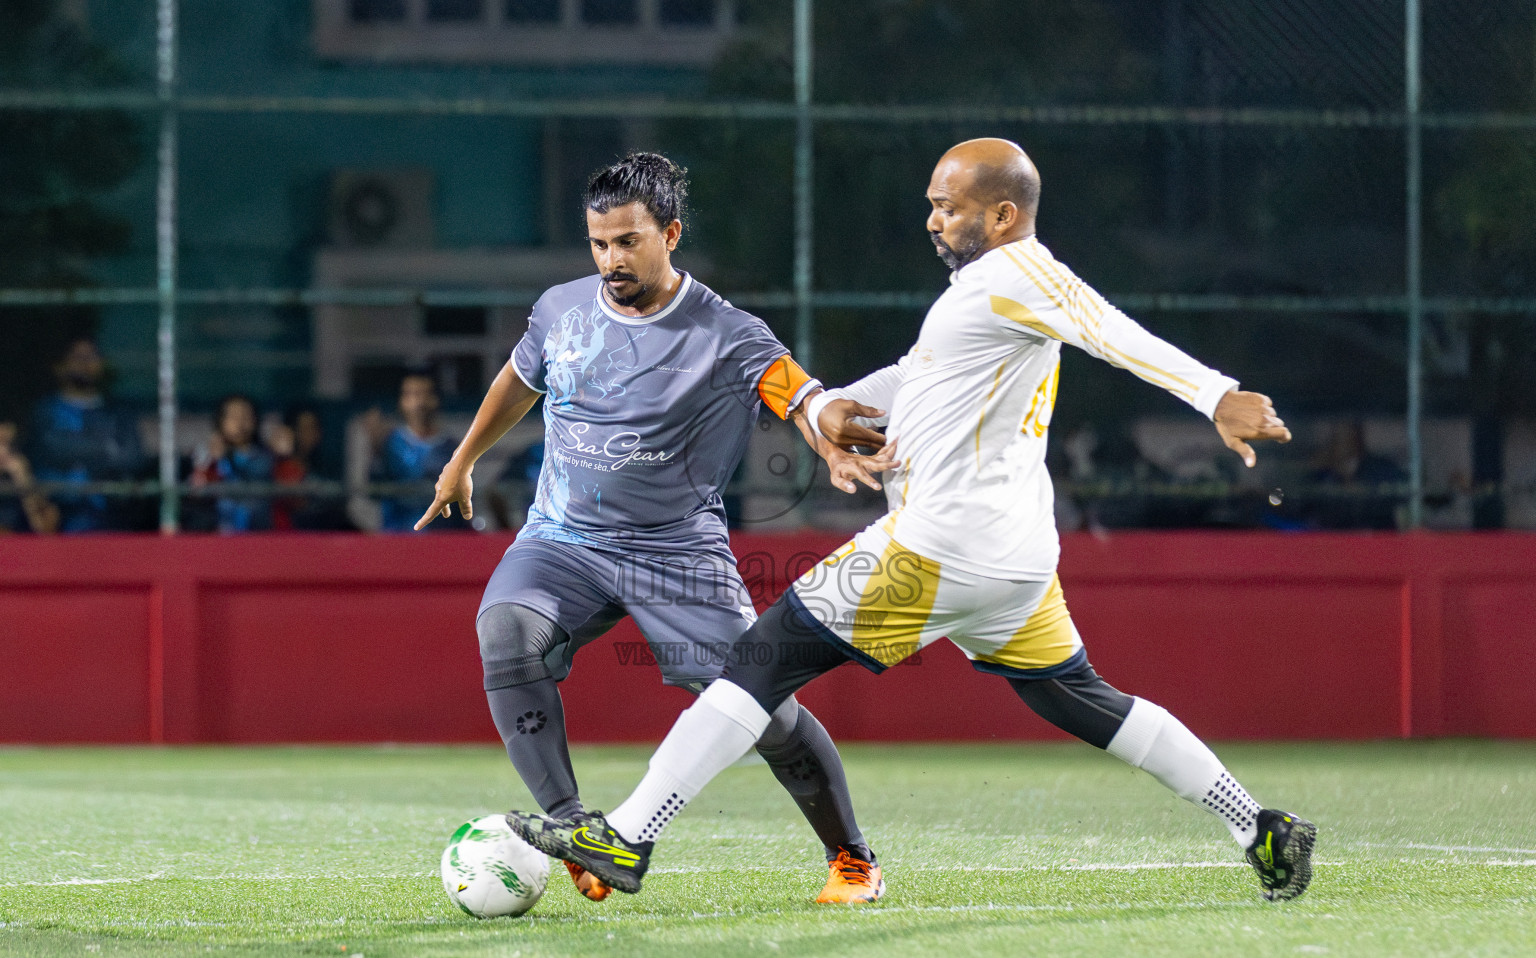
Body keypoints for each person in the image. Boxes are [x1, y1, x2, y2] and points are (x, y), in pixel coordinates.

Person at [511, 138, 1318, 905]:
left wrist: (1217, 395)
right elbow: (918, 375)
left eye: (950, 207)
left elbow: (1111, 331)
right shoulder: (980, 292)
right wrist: (833, 417)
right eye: (932, 205)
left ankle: (627, 837)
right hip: (1014, 558)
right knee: (1078, 697)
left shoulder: (1024, 272)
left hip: (942, 546)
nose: (933, 220)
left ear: (1003, 216)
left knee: (757, 658)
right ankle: (1261, 828)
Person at [417, 152, 891, 904]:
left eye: (628, 242)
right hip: (561, 541)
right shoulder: (560, 310)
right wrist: (463, 460)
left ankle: (853, 859)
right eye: (599, 244)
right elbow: (519, 378)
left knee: (760, 705)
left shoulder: (726, 332)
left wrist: (825, 422)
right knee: (505, 633)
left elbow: (795, 393)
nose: (611, 260)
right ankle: (581, 833)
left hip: (675, 552)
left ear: (671, 234)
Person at [28, 337, 144, 532]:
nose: (85, 363)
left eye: (92, 356)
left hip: (111, 519)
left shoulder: (118, 412)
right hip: (57, 517)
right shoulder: (45, 411)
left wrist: (77, 447)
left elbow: (133, 458)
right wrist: (108, 447)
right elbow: (53, 449)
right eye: (77, 357)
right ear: (60, 366)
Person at [370, 372, 465, 532]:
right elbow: (373, 491)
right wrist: (376, 450)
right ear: (402, 401)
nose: (419, 402)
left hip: (442, 539)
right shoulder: (389, 444)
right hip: (398, 537)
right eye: (412, 395)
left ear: (436, 400)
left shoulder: (453, 448)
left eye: (425, 394)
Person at [190, 394, 276, 533]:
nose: (240, 423)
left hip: (258, 534)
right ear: (221, 421)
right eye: (233, 417)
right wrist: (212, 461)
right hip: (218, 534)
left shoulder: (265, 456)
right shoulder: (206, 454)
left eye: (246, 416)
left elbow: (252, 480)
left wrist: (227, 455)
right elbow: (197, 491)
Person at [272, 405, 352, 531]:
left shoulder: (326, 466)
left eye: (314, 428)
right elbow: (298, 503)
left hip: (319, 536)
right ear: (291, 431)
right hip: (287, 538)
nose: (310, 435)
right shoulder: (279, 464)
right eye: (303, 429)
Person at [0, 420, 60, 535]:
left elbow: (43, 530)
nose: (3, 451)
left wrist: (23, 481)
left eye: (9, 444)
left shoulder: (20, 474)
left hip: (23, 545)